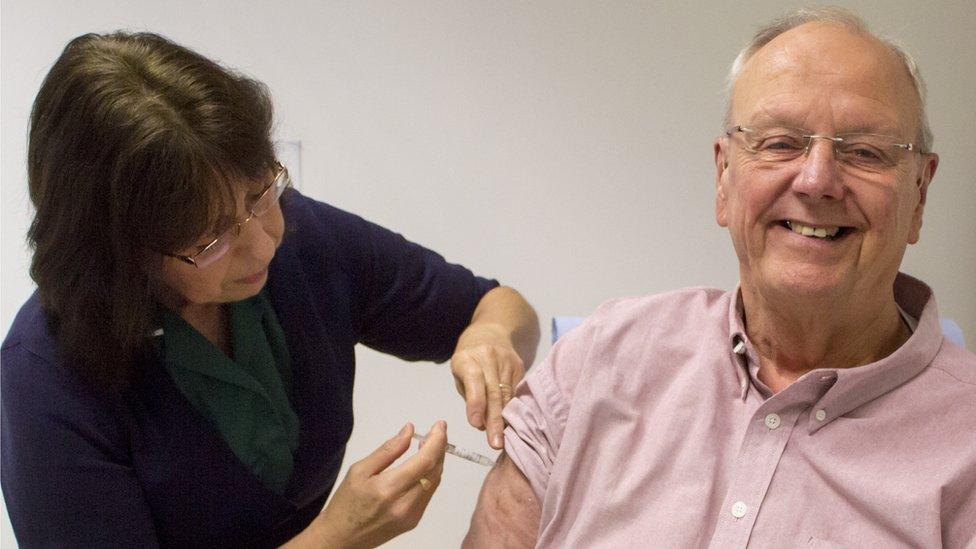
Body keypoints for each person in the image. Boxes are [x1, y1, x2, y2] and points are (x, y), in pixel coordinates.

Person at [0, 31, 539, 548]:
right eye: (211, 238)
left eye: (262, 193)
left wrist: (489, 333)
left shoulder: (304, 242)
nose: (263, 245)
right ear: (120, 251)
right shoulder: (47, 381)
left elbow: (501, 306)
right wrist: (338, 537)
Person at [464, 7, 975, 548]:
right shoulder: (598, 358)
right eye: (780, 143)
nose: (817, 179)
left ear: (919, 194)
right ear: (724, 177)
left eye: (866, 152)